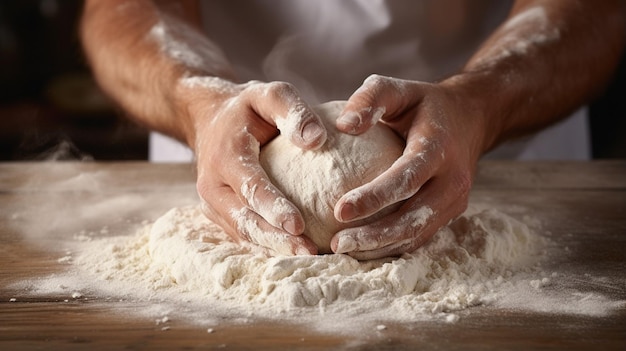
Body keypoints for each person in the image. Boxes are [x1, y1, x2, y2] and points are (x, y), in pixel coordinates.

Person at [80, 0, 625, 259]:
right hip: (231, 166)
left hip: (504, 139)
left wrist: (480, 102)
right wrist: (197, 100)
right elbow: (122, 10)